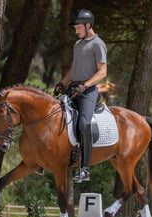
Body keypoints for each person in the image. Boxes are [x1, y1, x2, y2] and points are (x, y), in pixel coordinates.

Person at [54, 9, 107, 183]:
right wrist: (62, 83)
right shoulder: (78, 45)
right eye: (75, 28)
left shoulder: (98, 44)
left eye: (78, 27)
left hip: (88, 92)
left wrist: (85, 86)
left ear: (88, 25)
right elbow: (73, 70)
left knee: (84, 124)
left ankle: (85, 169)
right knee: (54, 115)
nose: (76, 31)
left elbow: (102, 72)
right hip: (73, 88)